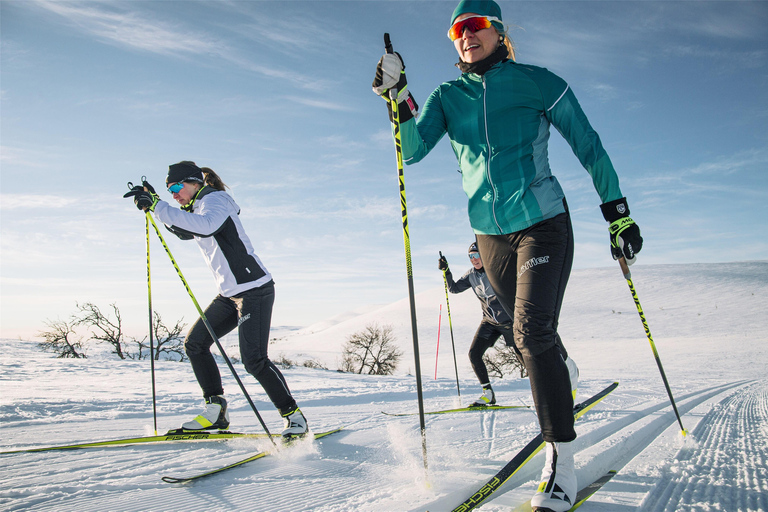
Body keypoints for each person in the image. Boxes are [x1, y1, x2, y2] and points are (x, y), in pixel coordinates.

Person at [372, 1, 642, 510]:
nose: (465, 35)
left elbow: (588, 143)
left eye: (475, 26)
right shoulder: (447, 96)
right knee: (527, 333)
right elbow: (411, 149)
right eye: (457, 29)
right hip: (489, 235)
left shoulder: (538, 81)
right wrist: (398, 95)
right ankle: (562, 366)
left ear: (497, 31)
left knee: (530, 332)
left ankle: (561, 459)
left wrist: (618, 211)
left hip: (542, 222)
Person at [124, 161, 308, 438]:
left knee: (254, 360)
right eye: (169, 190)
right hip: (229, 295)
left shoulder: (216, 199)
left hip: (254, 290)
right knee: (195, 343)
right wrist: (155, 204)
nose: (174, 194)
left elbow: (207, 226)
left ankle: (294, 417)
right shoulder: (198, 207)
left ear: (194, 182)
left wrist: (160, 206)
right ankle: (216, 411)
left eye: (176, 187)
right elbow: (187, 231)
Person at [440, 243, 578, 408]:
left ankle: (553, 393)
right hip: (489, 322)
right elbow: (454, 288)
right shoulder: (471, 276)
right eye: (471, 256)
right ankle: (488, 394)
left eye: (477, 255)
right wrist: (446, 271)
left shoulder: (496, 271)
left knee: (527, 362)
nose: (474, 259)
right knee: (474, 354)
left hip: (510, 322)